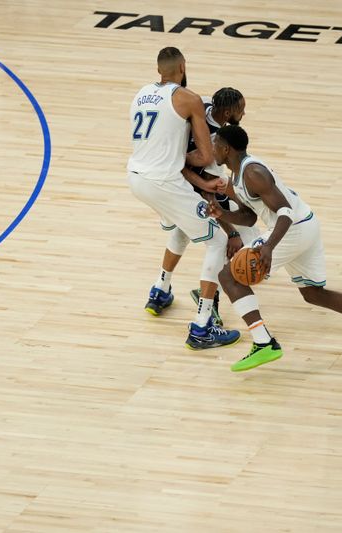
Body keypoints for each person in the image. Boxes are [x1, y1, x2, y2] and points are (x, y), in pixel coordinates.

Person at [207, 125, 342, 371]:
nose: (211, 148)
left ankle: (263, 342)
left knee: (229, 276)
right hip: (304, 225)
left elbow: (285, 211)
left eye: (214, 143)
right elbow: (249, 217)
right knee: (313, 293)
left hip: (293, 227)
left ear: (226, 149)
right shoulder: (237, 176)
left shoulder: (253, 172)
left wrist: (269, 246)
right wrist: (222, 214)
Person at [127, 47, 240, 350]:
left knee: (182, 228)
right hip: (164, 181)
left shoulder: (141, 93)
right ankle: (202, 327)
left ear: (158, 69)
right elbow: (203, 155)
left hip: (136, 177)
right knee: (216, 241)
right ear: (182, 66)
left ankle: (160, 290)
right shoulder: (190, 99)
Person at [159, 86, 261, 326]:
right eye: (241, 110)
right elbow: (211, 195)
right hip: (191, 193)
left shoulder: (202, 105)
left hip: (167, 184)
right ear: (226, 114)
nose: (244, 114)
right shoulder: (214, 146)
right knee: (229, 244)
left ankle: (160, 289)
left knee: (180, 233)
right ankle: (208, 304)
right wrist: (232, 232)